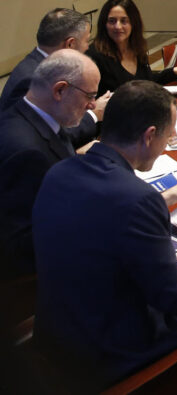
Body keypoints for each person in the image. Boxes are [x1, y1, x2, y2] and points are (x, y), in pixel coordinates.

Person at [32, 80, 177, 389]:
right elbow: (175, 295)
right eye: (168, 137)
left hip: (57, 340)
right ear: (149, 136)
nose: (167, 145)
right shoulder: (137, 199)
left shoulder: (59, 171)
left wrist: (164, 198)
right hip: (112, 355)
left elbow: (101, 212)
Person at [0, 50, 100, 277]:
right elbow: (23, 243)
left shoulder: (31, 116)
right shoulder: (26, 152)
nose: (93, 105)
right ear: (60, 90)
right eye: (89, 96)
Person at [0, 9, 110, 145]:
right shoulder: (32, 79)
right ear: (70, 44)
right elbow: (51, 136)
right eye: (87, 40)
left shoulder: (41, 65)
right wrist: (94, 114)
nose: (87, 47)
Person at [87, 0, 177, 95]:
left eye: (124, 21)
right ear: (104, 24)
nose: (118, 26)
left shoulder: (136, 48)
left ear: (134, 23)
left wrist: (173, 72)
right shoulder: (93, 56)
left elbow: (145, 82)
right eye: (112, 21)